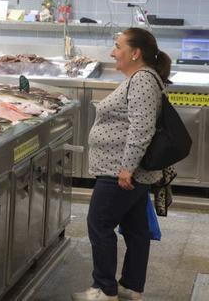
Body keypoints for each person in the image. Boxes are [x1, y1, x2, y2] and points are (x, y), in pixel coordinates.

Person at [73, 28, 172, 301]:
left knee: (99, 224)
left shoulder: (142, 80)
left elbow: (141, 130)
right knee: (135, 229)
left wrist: (127, 168)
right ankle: (131, 286)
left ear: (135, 53)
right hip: (127, 171)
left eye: (117, 46)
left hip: (120, 172)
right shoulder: (142, 78)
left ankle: (104, 289)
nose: (112, 52)